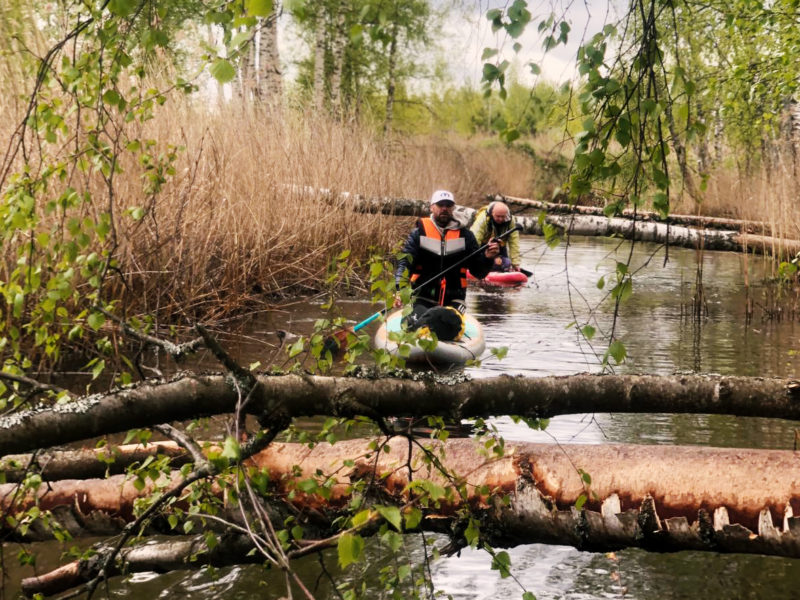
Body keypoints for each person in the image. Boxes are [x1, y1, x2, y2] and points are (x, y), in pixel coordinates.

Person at [393, 189, 499, 338]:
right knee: (415, 321)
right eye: (440, 205)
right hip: (422, 297)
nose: (444, 208)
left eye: (448, 205)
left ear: (453, 208)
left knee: (441, 317)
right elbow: (405, 264)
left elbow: (478, 272)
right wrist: (400, 288)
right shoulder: (418, 234)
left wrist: (488, 257)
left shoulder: (466, 236)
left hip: (454, 300)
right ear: (432, 207)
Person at [469, 200, 521, 272]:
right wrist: (472, 260)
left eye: (503, 216)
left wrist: (516, 263)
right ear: (492, 213)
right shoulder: (483, 218)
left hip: (500, 245)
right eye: (498, 216)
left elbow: (514, 242)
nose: (500, 219)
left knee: (506, 263)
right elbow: (475, 239)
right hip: (483, 246)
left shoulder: (511, 221)